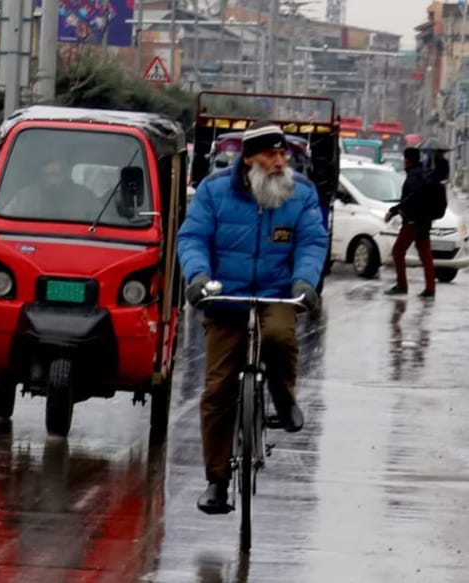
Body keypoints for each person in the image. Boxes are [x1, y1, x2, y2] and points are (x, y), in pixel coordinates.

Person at [177, 121, 329, 515]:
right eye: (271, 155)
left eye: (284, 155)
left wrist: (305, 282)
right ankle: (216, 481)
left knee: (279, 336)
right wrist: (198, 277)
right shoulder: (213, 192)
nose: (281, 162)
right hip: (226, 296)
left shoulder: (302, 194)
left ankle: (282, 394)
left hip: (276, 293)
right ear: (248, 159)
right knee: (217, 390)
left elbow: (313, 242)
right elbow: (192, 237)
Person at [384, 147, 436, 298]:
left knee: (398, 251)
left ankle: (402, 285)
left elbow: (412, 197)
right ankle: (430, 288)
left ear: (407, 159)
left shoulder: (414, 176)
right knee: (425, 253)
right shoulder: (423, 173)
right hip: (424, 220)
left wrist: (394, 210)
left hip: (413, 221)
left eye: (404, 158)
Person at [0, 157, 99, 221]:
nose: (52, 180)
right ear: (41, 177)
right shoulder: (26, 197)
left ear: (66, 175)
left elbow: (104, 219)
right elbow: (4, 220)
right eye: (48, 175)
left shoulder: (85, 196)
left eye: (57, 175)